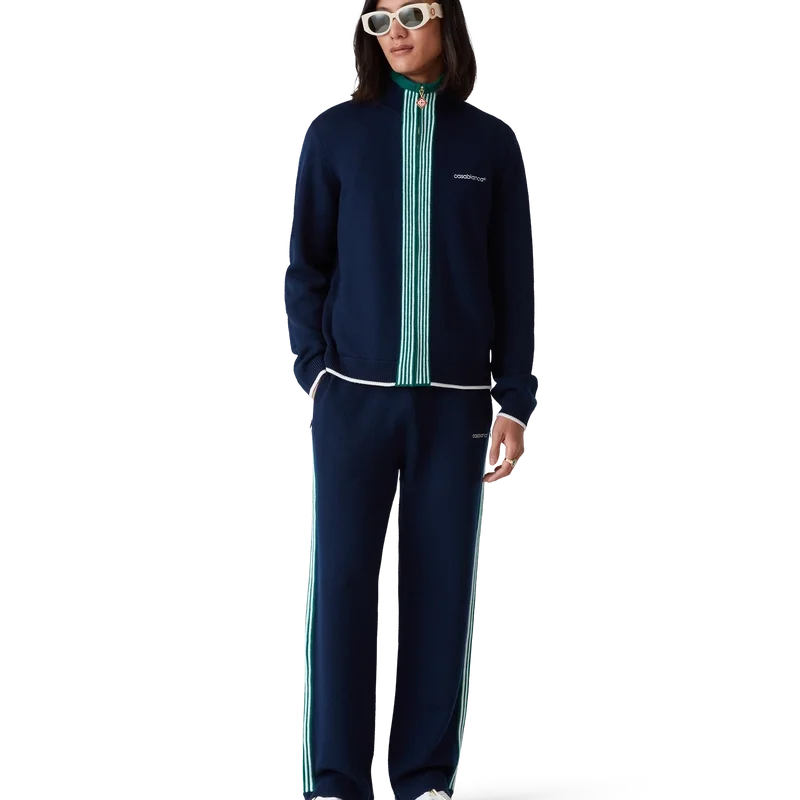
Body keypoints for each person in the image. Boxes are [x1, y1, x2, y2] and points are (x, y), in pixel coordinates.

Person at [284, 1, 537, 798]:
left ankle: (423, 776)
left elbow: (513, 281)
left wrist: (514, 402)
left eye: (413, 14)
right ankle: (335, 777)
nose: (394, 30)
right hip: (353, 399)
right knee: (342, 586)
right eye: (379, 19)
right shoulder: (335, 134)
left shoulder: (489, 143)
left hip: (458, 405)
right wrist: (315, 373)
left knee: (442, 585)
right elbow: (305, 265)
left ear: (447, 26)